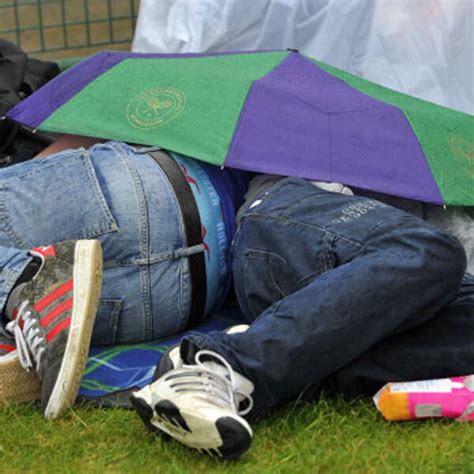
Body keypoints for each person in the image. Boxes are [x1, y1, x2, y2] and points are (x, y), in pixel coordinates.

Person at [130, 175, 474, 460]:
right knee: (430, 249)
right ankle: (223, 366)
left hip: (409, 286)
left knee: (434, 256)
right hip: (299, 212)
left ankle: (289, 362)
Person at [0, 138, 248, 418]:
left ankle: (27, 279)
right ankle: (26, 305)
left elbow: (92, 123)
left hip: (142, 189)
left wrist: (27, 176)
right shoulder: (290, 144)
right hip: (182, 297)